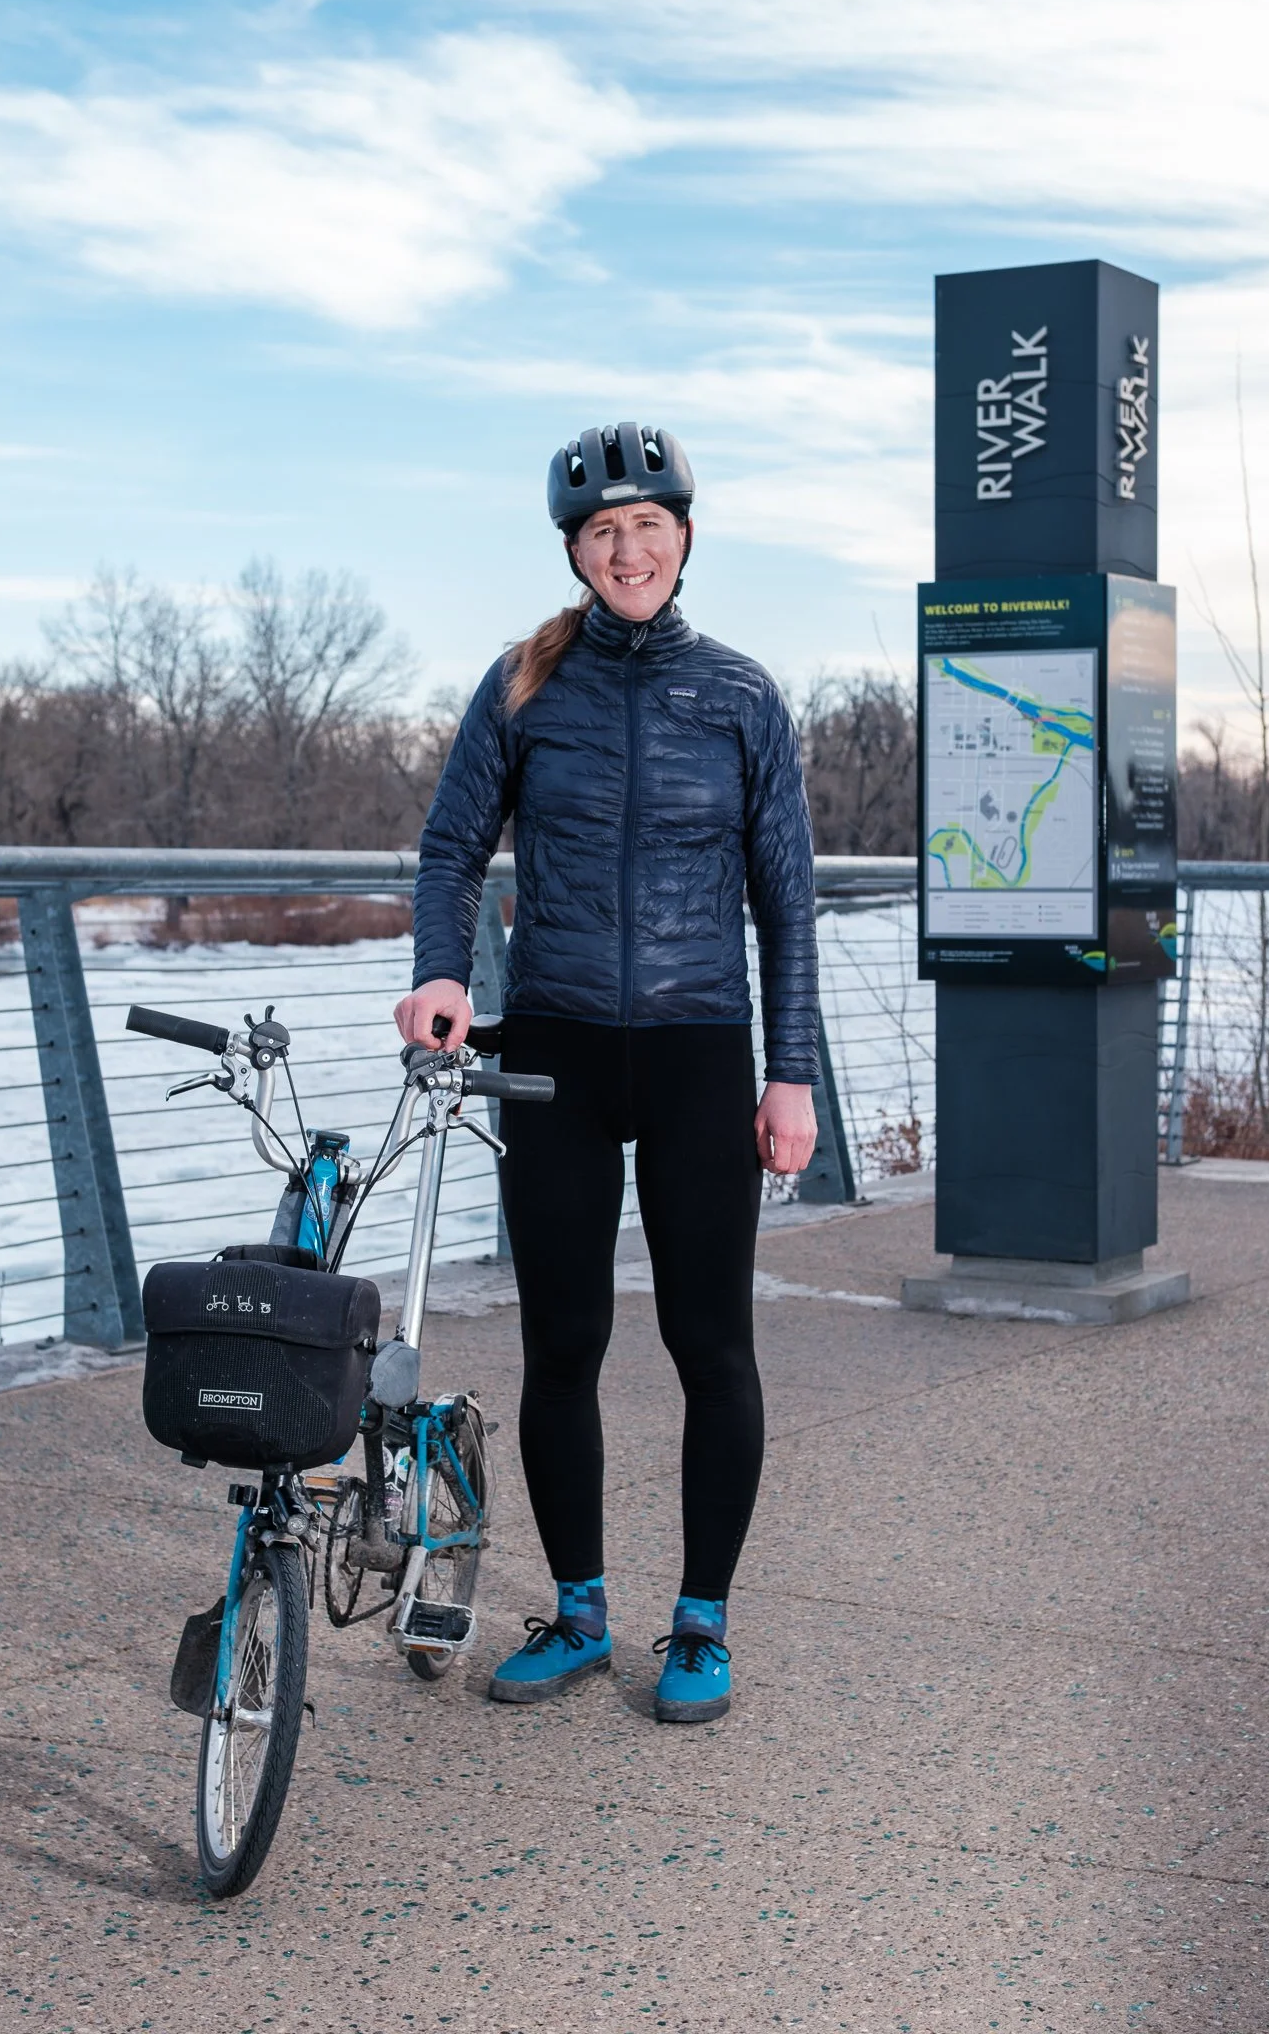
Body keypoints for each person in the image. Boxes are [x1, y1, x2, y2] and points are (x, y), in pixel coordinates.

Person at [394, 422, 819, 1723]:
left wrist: (788, 1074)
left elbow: (786, 905)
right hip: (559, 1052)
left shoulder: (741, 698)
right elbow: (448, 852)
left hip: (700, 1053)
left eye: (647, 526)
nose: (625, 548)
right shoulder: (524, 687)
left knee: (711, 1347)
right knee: (561, 1343)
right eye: (600, 530)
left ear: (684, 539)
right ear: (575, 550)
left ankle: (699, 1625)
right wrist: (440, 971)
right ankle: (579, 1613)